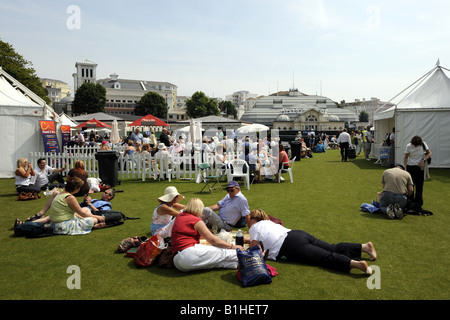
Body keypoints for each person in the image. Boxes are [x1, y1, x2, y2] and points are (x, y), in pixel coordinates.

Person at [247, 209, 377, 275]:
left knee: (324, 257)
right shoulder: (268, 222)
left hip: (289, 246)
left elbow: (255, 249)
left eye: (248, 220)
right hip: (297, 234)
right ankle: (364, 247)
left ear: (253, 219)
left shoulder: (254, 228)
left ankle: (356, 264)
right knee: (332, 247)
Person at [171, 198, 244, 272]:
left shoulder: (180, 216)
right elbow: (213, 240)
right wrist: (232, 246)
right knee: (223, 252)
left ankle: (236, 264)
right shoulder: (196, 220)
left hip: (178, 262)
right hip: (189, 254)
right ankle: (245, 256)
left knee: (215, 262)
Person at [404, 135, 431, 208]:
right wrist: (405, 167)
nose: (415, 146)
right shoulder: (408, 146)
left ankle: (418, 202)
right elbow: (406, 156)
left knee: (419, 186)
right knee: (410, 185)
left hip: (420, 167)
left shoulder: (423, 144)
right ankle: (410, 201)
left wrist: (423, 160)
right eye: (414, 145)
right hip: (410, 167)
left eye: (417, 145)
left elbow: (429, 153)